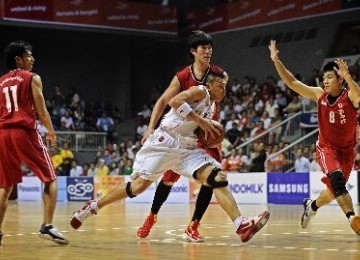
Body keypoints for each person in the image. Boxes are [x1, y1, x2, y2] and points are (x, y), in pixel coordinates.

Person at [70, 72, 270, 243]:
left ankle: (240, 224)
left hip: (186, 148)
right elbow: (175, 102)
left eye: (226, 86)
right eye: (220, 85)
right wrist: (200, 121)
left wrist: (207, 135)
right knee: (138, 187)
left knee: (217, 178)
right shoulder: (201, 91)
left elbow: (199, 131)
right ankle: (93, 206)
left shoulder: (214, 107)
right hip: (165, 143)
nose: (224, 89)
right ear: (209, 85)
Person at [137, 31, 230, 242]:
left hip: (208, 134)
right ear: (193, 51)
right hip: (184, 135)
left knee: (211, 180)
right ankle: (152, 216)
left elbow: (221, 92)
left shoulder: (218, 74)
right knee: (168, 180)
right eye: (203, 48)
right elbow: (163, 102)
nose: (208, 51)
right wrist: (150, 128)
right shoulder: (183, 77)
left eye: (210, 47)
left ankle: (193, 226)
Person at [269, 39, 360, 234]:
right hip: (327, 148)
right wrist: (277, 61)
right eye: (323, 77)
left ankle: (312, 206)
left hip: (348, 152)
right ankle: (352, 218)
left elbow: (358, 96)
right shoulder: (320, 95)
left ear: (340, 79)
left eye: (330, 77)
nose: (325, 81)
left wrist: (348, 76)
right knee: (337, 181)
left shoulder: (350, 96)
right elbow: (292, 82)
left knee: (334, 192)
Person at [0, 41, 68, 245]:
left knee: (5, 185)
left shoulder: (0, 81)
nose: (33, 59)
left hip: (3, 133)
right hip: (24, 131)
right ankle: (47, 226)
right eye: (29, 56)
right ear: (18, 59)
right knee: (50, 178)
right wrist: (51, 132)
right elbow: (41, 109)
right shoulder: (32, 78)